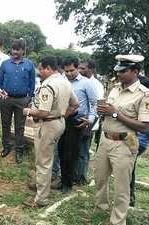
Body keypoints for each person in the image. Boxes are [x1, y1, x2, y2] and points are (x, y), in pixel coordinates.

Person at [94, 55, 149, 225]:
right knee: (100, 177)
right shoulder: (115, 89)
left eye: (123, 71)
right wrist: (103, 110)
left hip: (125, 142)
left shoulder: (145, 95)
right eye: (118, 71)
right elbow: (109, 111)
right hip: (105, 139)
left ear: (135, 72)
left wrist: (115, 113)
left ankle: (118, 220)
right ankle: (101, 207)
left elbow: (144, 127)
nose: (119, 74)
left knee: (122, 186)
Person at [23, 57, 77, 207]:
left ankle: (41, 199)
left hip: (47, 125)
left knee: (43, 162)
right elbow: (75, 104)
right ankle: (41, 187)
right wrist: (60, 115)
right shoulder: (65, 81)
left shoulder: (48, 85)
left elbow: (43, 112)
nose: (39, 72)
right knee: (48, 158)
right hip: (59, 123)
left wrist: (28, 111)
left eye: (41, 69)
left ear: (48, 68)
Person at [59, 57, 97, 193]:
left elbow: (94, 104)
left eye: (72, 70)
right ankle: (62, 179)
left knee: (71, 153)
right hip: (62, 119)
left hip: (77, 121)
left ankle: (68, 183)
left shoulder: (86, 83)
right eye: (66, 71)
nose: (69, 73)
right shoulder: (61, 82)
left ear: (77, 68)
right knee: (61, 151)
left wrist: (91, 119)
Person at [0, 39, 35, 164]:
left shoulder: (29, 64)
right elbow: (0, 82)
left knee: (20, 127)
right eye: (13, 49)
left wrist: (28, 98)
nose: (15, 52)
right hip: (6, 99)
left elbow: (32, 83)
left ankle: (19, 150)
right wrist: (2, 93)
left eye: (18, 49)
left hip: (22, 100)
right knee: (5, 124)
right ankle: (6, 147)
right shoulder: (5, 64)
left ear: (23, 50)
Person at [129, 75, 149, 207]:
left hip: (137, 141)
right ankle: (129, 199)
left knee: (126, 168)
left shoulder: (147, 101)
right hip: (135, 140)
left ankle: (129, 200)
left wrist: (136, 125)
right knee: (129, 168)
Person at [77, 59, 104, 184]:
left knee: (83, 151)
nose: (80, 70)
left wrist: (89, 124)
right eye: (79, 68)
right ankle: (74, 174)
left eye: (83, 68)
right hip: (77, 121)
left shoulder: (96, 85)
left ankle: (81, 177)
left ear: (91, 70)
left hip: (89, 123)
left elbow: (97, 107)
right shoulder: (79, 82)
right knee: (74, 150)